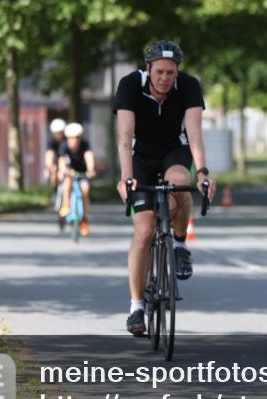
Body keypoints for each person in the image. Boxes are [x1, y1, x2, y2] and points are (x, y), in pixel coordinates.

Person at [113, 40, 216, 336]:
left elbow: (194, 133)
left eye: (171, 72)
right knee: (144, 230)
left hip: (174, 150)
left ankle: (180, 243)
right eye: (159, 72)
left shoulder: (189, 86)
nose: (165, 78)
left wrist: (204, 172)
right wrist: (126, 177)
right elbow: (125, 134)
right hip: (140, 155)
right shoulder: (130, 85)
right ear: (148, 69)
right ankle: (136, 307)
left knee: (180, 183)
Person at [57, 122, 97, 236]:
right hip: (70, 173)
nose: (74, 141)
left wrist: (91, 170)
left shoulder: (85, 145)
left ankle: (84, 220)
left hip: (82, 174)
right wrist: (63, 170)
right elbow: (62, 161)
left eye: (76, 138)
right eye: (71, 138)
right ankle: (66, 205)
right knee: (68, 181)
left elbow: (89, 157)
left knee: (85, 191)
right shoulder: (64, 146)